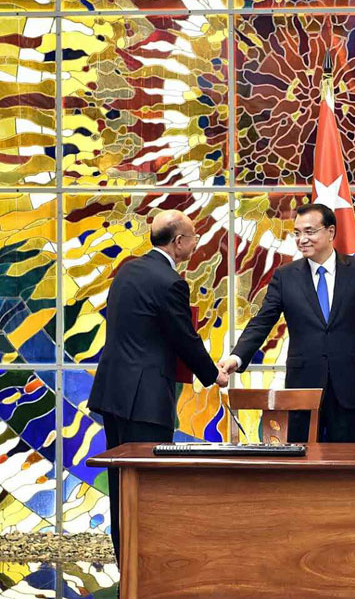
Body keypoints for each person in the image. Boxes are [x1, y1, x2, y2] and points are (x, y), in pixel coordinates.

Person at [88, 210, 228, 566]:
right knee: (148, 490)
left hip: (113, 395)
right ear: (179, 242)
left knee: (122, 487)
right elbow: (185, 338)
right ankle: (147, 574)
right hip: (145, 401)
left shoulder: (128, 270)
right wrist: (214, 375)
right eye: (194, 237)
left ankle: (128, 571)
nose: (196, 243)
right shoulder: (170, 283)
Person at [218, 203, 355, 442]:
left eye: (309, 231)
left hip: (350, 387)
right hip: (303, 385)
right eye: (297, 233)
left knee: (347, 464)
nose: (302, 239)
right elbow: (263, 321)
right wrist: (237, 356)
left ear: (330, 232)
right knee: (302, 460)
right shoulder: (285, 276)